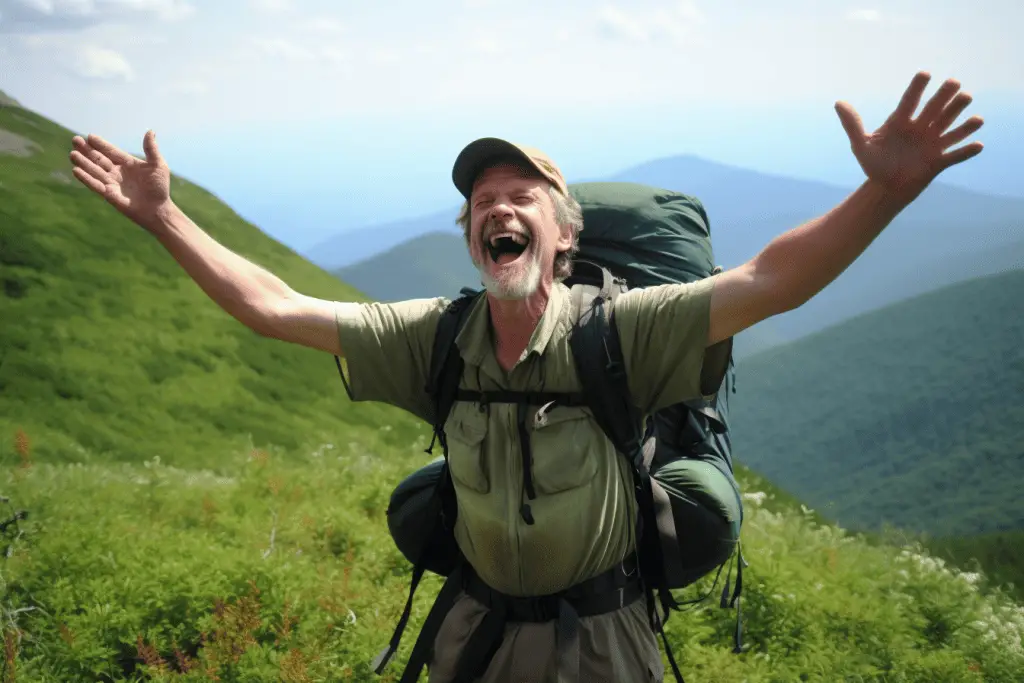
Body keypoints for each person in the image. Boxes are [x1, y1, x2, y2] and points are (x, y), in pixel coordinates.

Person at [69, 71, 985, 683]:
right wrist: (165, 220)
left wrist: (885, 192)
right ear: (469, 235)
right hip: (475, 628)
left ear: (565, 233)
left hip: (605, 637)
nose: (499, 208)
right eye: (481, 202)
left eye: (523, 198)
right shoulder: (434, 337)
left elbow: (769, 281)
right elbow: (274, 307)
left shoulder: (624, 331)